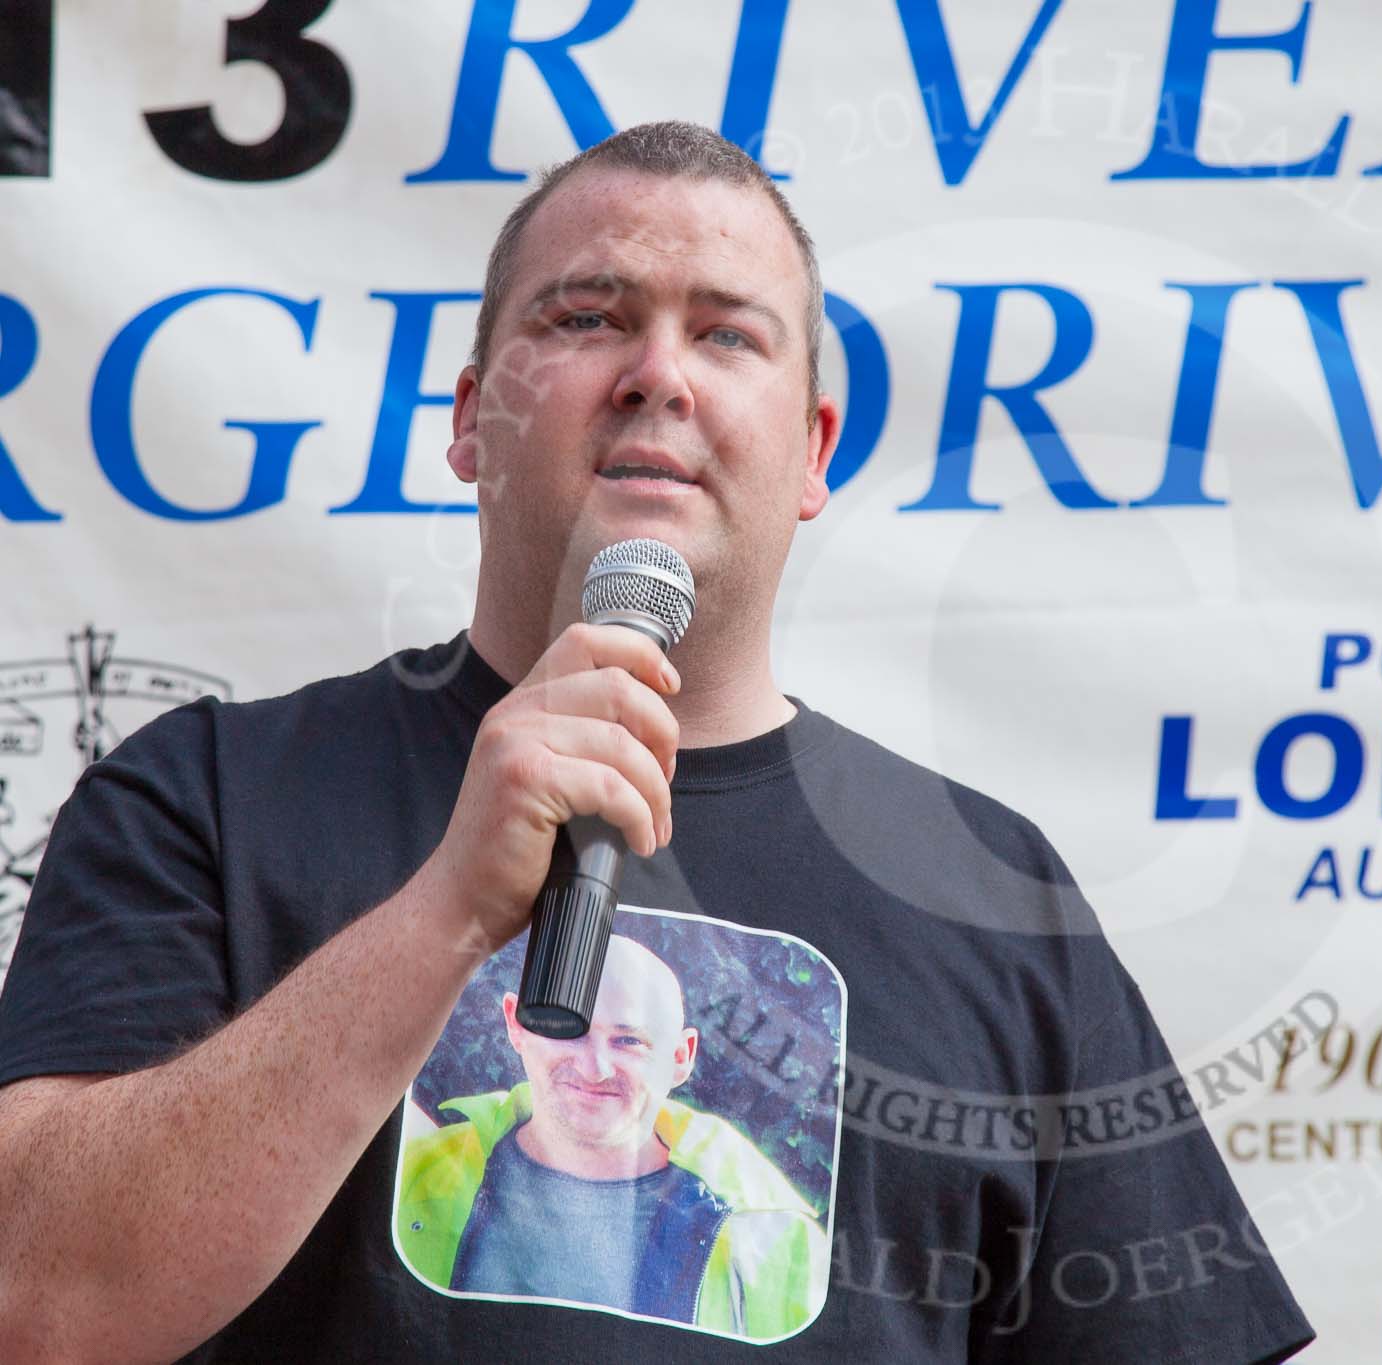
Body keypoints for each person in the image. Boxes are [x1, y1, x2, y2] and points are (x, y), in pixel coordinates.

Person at [0, 122, 1313, 1361]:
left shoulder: (991, 888)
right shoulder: (207, 800)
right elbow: (39, 1302)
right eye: (588, 318)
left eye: (728, 335)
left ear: (811, 455)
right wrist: (448, 913)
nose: (658, 374)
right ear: (470, 420)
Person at [395, 934, 828, 1338]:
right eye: (565, 1027)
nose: (593, 1067)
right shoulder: (414, 1175)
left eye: (628, 1041)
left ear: (681, 1057)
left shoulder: (774, 1241)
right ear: (517, 1025)